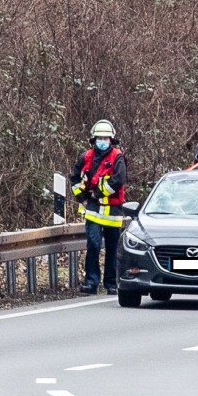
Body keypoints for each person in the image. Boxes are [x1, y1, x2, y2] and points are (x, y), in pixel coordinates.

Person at [70, 119, 128, 294]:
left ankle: (111, 283)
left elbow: (118, 180)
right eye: (99, 138)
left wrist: (98, 193)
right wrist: (83, 198)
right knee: (93, 245)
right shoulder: (86, 157)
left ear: (111, 140)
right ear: (94, 140)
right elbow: (74, 179)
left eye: (106, 138)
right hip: (93, 209)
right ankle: (91, 282)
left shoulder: (117, 157)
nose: (102, 142)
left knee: (112, 248)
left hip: (112, 210)